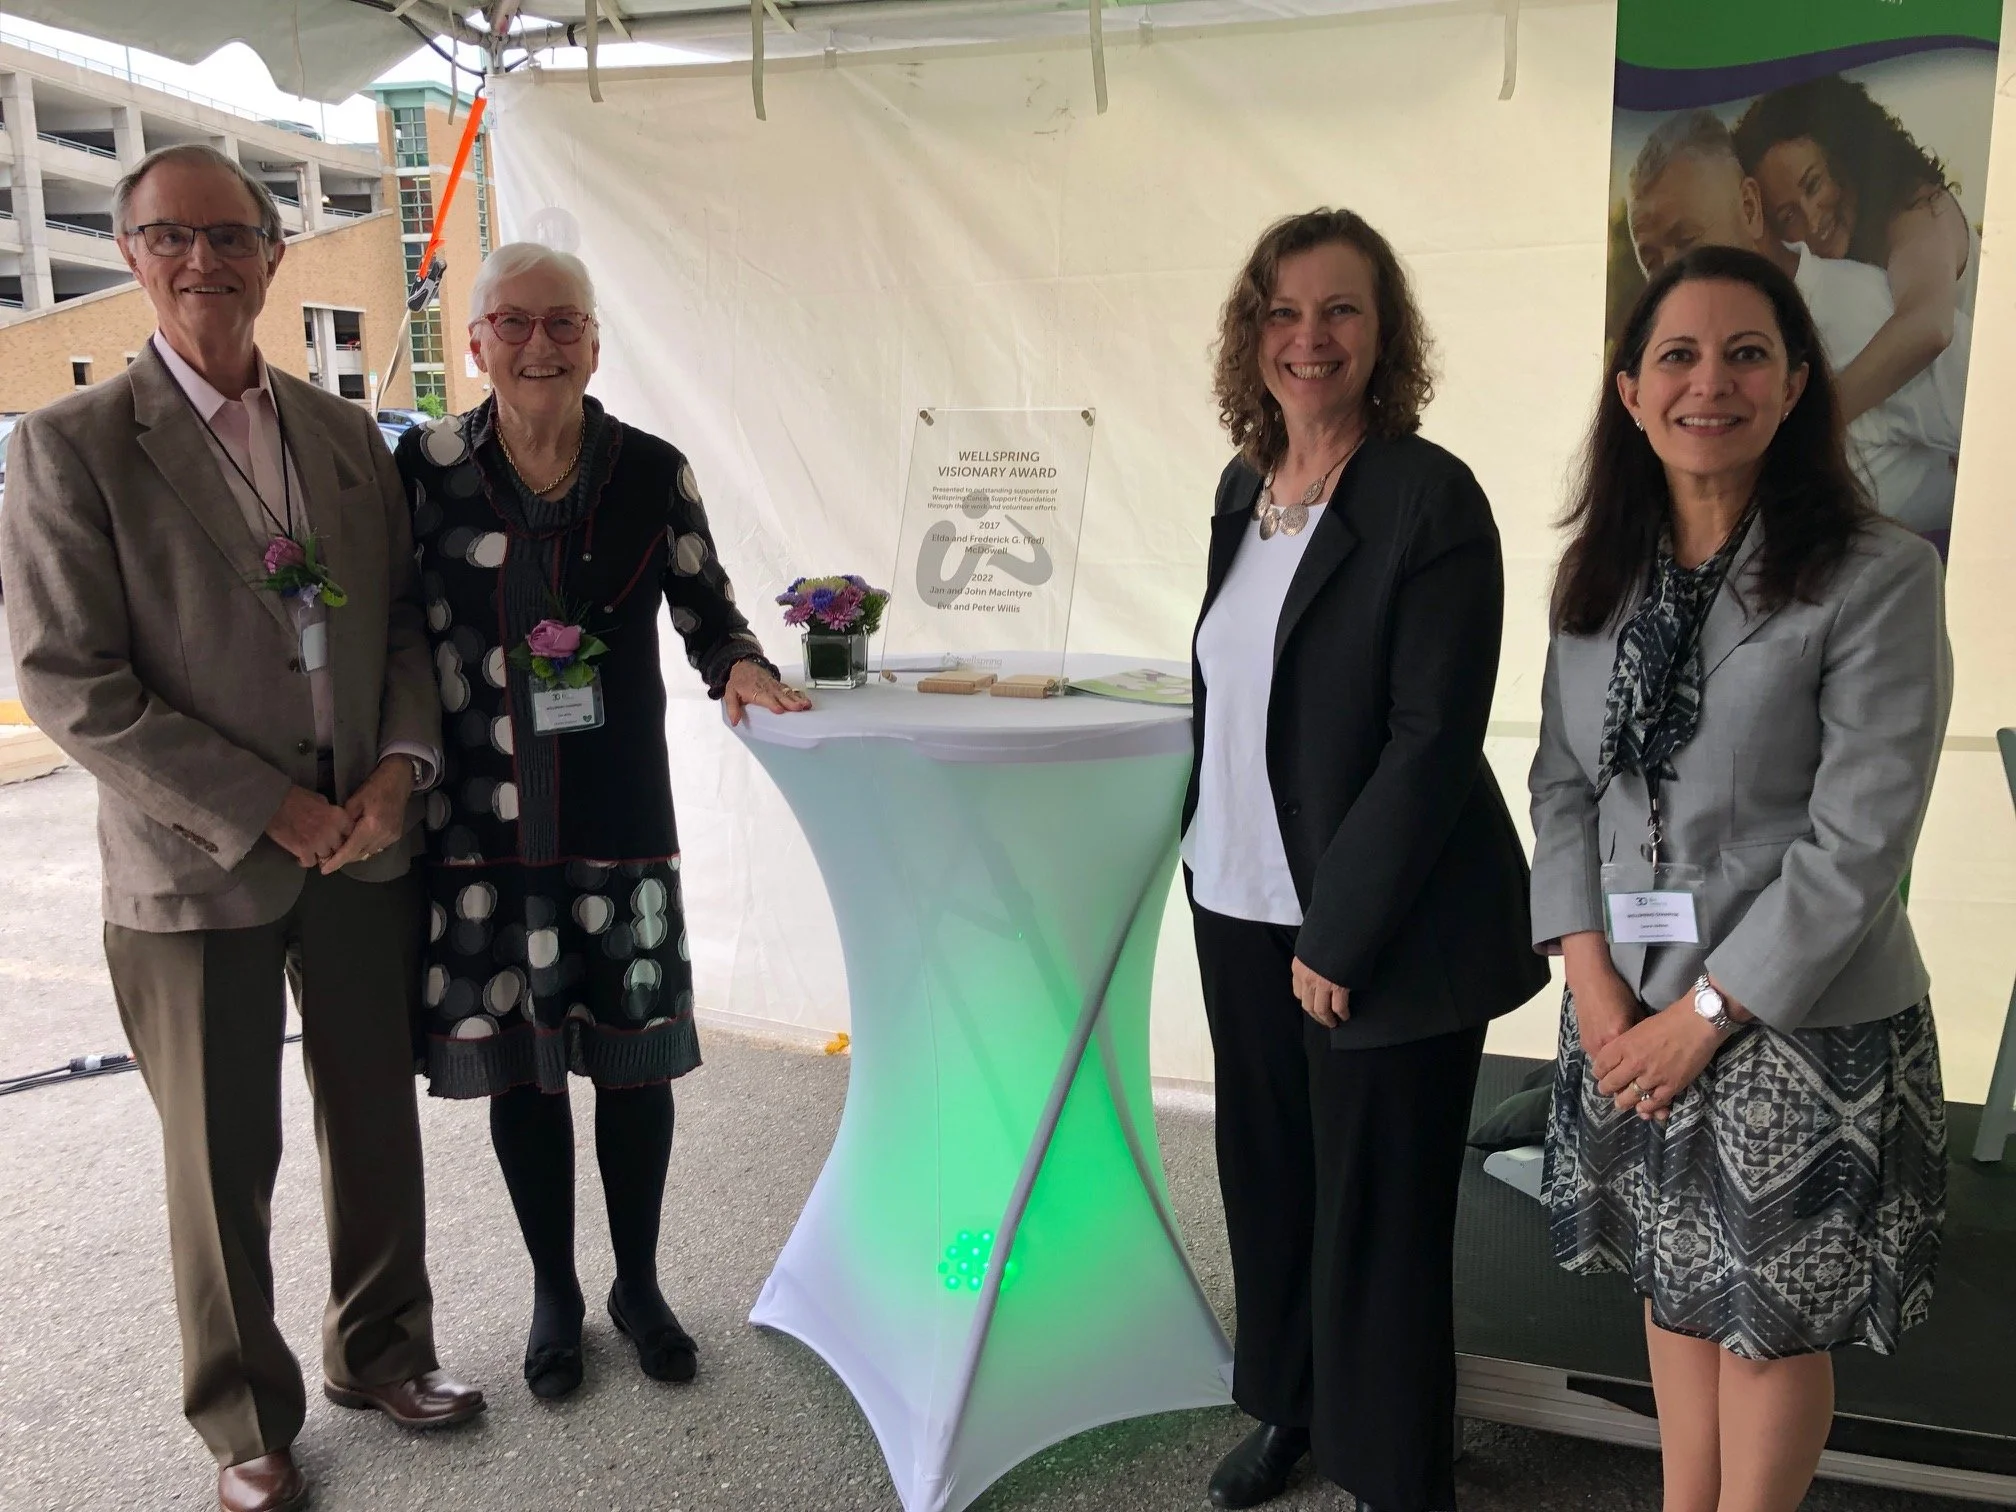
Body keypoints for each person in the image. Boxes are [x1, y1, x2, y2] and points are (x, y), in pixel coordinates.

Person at [0, 143, 483, 1512]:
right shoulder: (72, 446)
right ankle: (245, 1418)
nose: (203, 259)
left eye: (230, 235)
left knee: (373, 1120)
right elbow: (70, 682)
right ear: (131, 256)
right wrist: (266, 805)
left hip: (363, 847)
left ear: (274, 256)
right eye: (172, 236)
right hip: (194, 865)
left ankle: (383, 1351)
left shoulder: (344, 436)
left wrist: (398, 773)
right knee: (220, 1160)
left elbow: (406, 626)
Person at [1531, 244, 1950, 1512]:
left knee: (1767, 1325)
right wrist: (1591, 981)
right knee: (1674, 1285)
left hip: (1791, 1018)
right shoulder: (1598, 573)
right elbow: (1560, 786)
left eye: (1746, 354)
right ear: (1629, 391)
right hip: (1625, 1002)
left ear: (1795, 384)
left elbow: (1859, 842)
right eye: (1678, 355)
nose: (1709, 382)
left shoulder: (1878, 574)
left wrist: (1705, 1015)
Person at [398, 242, 809, 1402]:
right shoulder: (426, 471)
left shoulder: (651, 472)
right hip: (482, 828)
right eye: (514, 323)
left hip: (616, 818)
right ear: (474, 342)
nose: (540, 344)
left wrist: (741, 666)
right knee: (524, 1074)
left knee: (633, 1068)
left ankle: (638, 1284)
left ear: (593, 341)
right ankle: (555, 1295)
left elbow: (708, 609)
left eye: (563, 323)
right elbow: (390, 629)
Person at [1182, 208, 1547, 1512]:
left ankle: (1395, 1473)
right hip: (1237, 898)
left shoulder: (1426, 498)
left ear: (1384, 331)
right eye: (1283, 311)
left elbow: (1432, 736)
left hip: (1376, 922)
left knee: (1379, 1217)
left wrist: (1338, 930)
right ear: (1252, 333)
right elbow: (1243, 688)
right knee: (1270, 1180)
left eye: (1340, 309)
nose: (1310, 337)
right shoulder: (1243, 489)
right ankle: (1294, 1407)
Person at [1627, 108, 1966, 547]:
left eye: (1688, 242)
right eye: (1652, 260)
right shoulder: (1668, 371)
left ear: (1749, 208)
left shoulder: (1863, 311)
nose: (1671, 276)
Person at [1732, 76, 1977, 430]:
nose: (1811, 219)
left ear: (1847, 157)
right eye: (1787, 215)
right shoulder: (1830, 274)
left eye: (1813, 184)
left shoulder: (1919, 211)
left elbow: (1929, 326)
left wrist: (1809, 426)